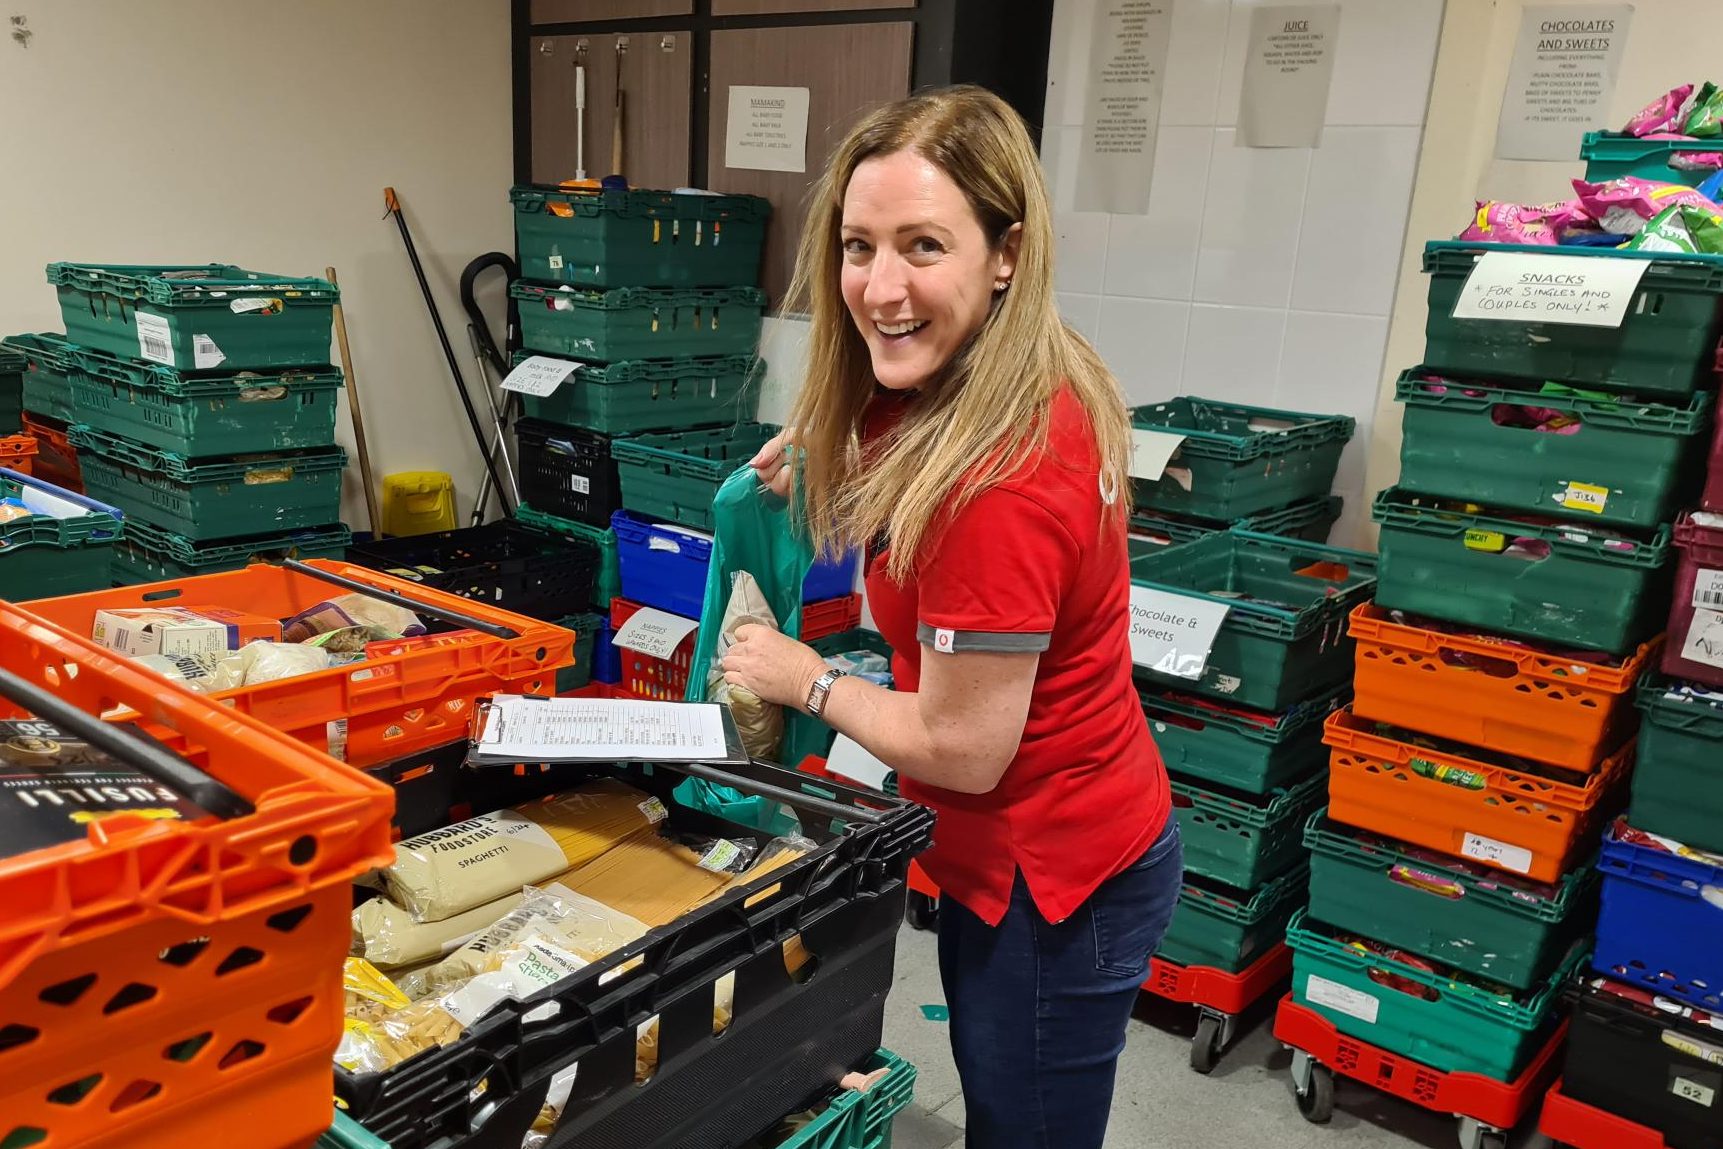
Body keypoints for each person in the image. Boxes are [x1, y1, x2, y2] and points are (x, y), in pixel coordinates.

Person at [718, 85, 1180, 1149]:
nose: (880, 287)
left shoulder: (996, 484)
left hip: (1052, 877)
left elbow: (964, 750)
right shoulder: (1008, 371)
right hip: (1049, 832)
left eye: (923, 245)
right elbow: (906, 424)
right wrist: (835, 448)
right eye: (858, 246)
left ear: (1004, 250)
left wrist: (806, 681)